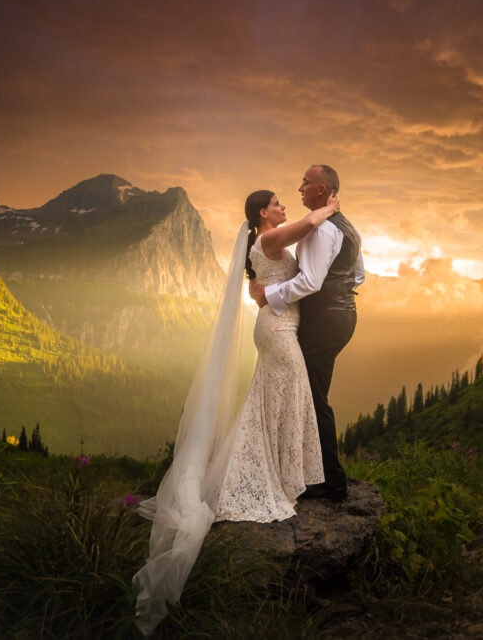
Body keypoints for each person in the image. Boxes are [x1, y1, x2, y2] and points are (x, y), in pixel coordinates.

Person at [132, 188, 340, 635]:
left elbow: (270, 274)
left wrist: (261, 288)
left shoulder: (263, 243)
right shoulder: (270, 238)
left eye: (285, 202)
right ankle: (284, 475)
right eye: (278, 203)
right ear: (263, 213)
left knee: (274, 398)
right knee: (290, 391)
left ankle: (284, 470)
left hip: (278, 324)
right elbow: (307, 227)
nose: (284, 207)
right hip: (279, 329)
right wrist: (329, 207)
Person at [249, 164, 364, 501]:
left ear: (322, 190)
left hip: (323, 320)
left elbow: (311, 281)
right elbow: (358, 275)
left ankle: (329, 482)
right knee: (313, 394)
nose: (299, 188)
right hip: (344, 316)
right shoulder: (347, 227)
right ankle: (313, 474)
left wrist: (268, 295)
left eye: (306, 183)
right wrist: (338, 297)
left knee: (314, 398)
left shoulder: (320, 229)